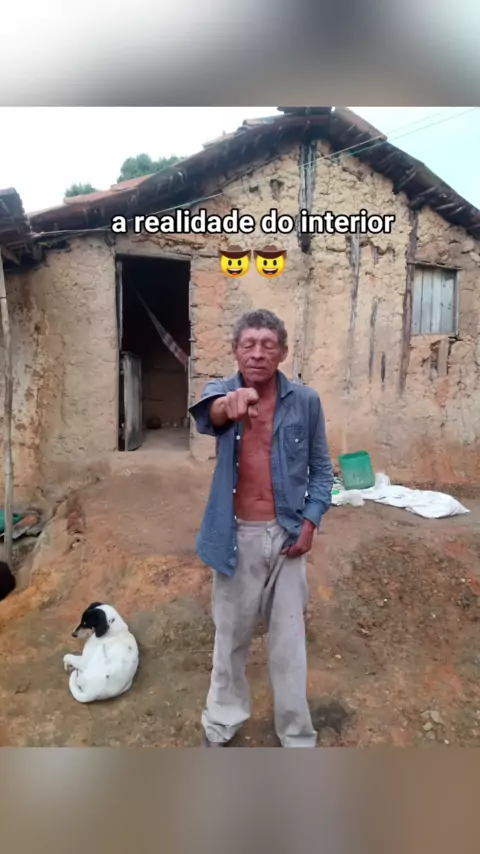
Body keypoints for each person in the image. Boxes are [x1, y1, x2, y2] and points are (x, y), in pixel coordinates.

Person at [189, 309, 333, 747]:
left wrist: (310, 521)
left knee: (289, 646)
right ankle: (221, 723)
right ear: (236, 351)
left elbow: (322, 469)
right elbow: (210, 413)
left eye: (268, 345)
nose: (257, 353)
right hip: (236, 537)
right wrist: (228, 407)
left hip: (287, 535)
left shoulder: (305, 402)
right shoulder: (221, 391)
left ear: (282, 353)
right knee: (230, 640)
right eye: (248, 344)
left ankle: (296, 736)